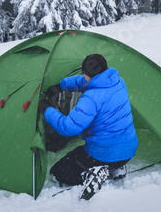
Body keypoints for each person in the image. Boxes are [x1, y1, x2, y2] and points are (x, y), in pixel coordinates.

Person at [39, 53, 138, 199]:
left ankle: (95, 172)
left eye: (84, 74)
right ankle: (116, 167)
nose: (83, 77)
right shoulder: (117, 81)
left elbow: (68, 127)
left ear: (89, 74)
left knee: (58, 172)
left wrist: (47, 109)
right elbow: (84, 81)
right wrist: (61, 86)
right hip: (129, 150)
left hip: (103, 154)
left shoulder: (91, 98)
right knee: (89, 153)